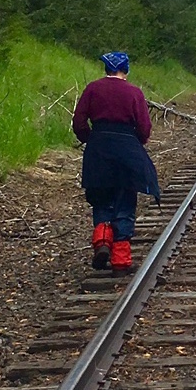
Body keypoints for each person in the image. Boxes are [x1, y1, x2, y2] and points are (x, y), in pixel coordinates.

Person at [72, 52, 159, 273]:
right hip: (126, 149)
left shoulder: (93, 88)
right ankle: (121, 260)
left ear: (106, 70)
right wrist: (134, 143)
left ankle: (102, 242)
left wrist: (90, 139)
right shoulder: (134, 92)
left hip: (98, 148)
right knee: (125, 200)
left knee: (101, 198)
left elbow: (79, 121)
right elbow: (144, 128)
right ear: (126, 70)